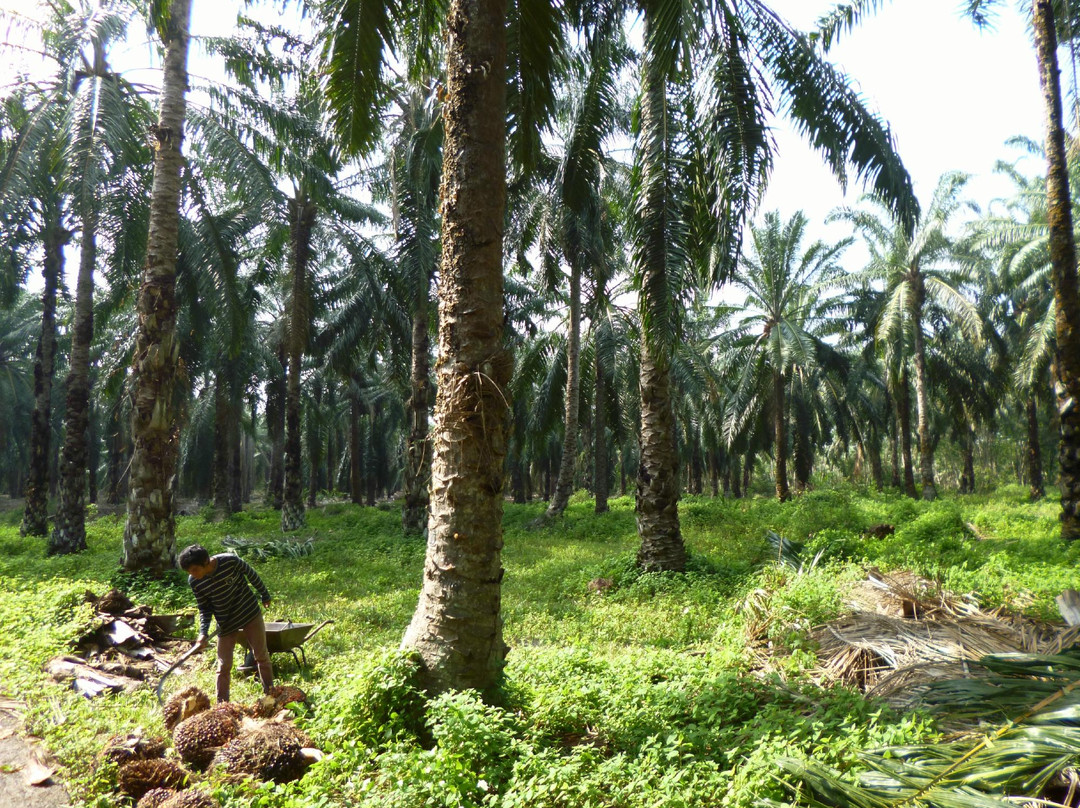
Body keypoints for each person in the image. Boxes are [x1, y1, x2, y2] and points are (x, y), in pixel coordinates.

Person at [178, 543, 274, 703]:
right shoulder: (195, 582)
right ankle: (222, 705)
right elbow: (204, 608)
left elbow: (252, 575)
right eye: (189, 571)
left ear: (206, 562)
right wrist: (203, 632)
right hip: (225, 622)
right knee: (223, 666)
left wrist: (265, 595)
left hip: (249, 612)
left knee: (261, 656)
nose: (192, 574)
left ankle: (271, 695)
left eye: (194, 569)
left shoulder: (230, 561)